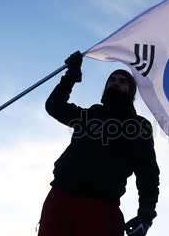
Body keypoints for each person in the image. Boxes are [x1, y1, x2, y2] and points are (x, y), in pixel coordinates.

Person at [38, 51, 160, 236]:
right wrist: (70, 77)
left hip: (100, 205)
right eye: (112, 79)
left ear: (131, 91)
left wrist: (145, 214)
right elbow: (54, 106)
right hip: (60, 197)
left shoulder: (138, 126)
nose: (116, 82)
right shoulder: (91, 114)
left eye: (122, 81)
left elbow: (147, 173)